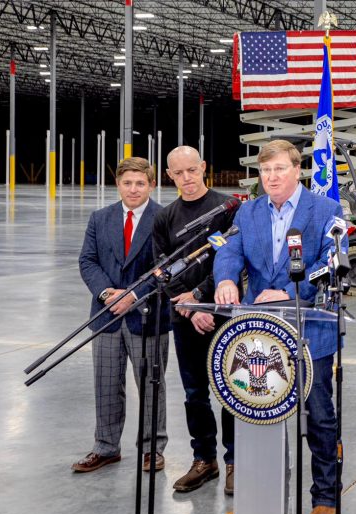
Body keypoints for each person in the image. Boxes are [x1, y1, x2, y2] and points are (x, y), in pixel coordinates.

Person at [213, 139, 345, 514]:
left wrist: (289, 293)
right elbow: (230, 251)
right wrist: (225, 279)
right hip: (260, 333)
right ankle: (262, 497)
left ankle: (325, 497)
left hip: (310, 332)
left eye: (280, 169)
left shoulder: (325, 209)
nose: (271, 177)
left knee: (318, 416)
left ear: (297, 170)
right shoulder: (248, 211)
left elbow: (329, 262)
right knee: (260, 415)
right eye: (265, 170)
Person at [75, 157, 170, 474]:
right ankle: (105, 447)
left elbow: (166, 267)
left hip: (147, 316)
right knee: (106, 384)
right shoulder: (100, 218)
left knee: (151, 385)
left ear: (152, 185)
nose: (133, 189)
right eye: (127, 183)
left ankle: (152, 449)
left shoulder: (163, 219)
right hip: (106, 316)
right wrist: (106, 293)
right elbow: (88, 261)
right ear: (118, 184)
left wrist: (133, 295)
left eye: (140, 183)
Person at [152, 146, 237, 495]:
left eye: (191, 170)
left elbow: (233, 259)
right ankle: (204, 459)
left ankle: (234, 461)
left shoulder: (228, 208)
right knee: (194, 392)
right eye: (178, 173)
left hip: (223, 312)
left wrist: (202, 299)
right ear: (169, 175)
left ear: (203, 166)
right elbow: (162, 268)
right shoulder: (165, 218)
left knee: (231, 389)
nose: (186, 178)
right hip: (184, 315)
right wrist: (187, 304)